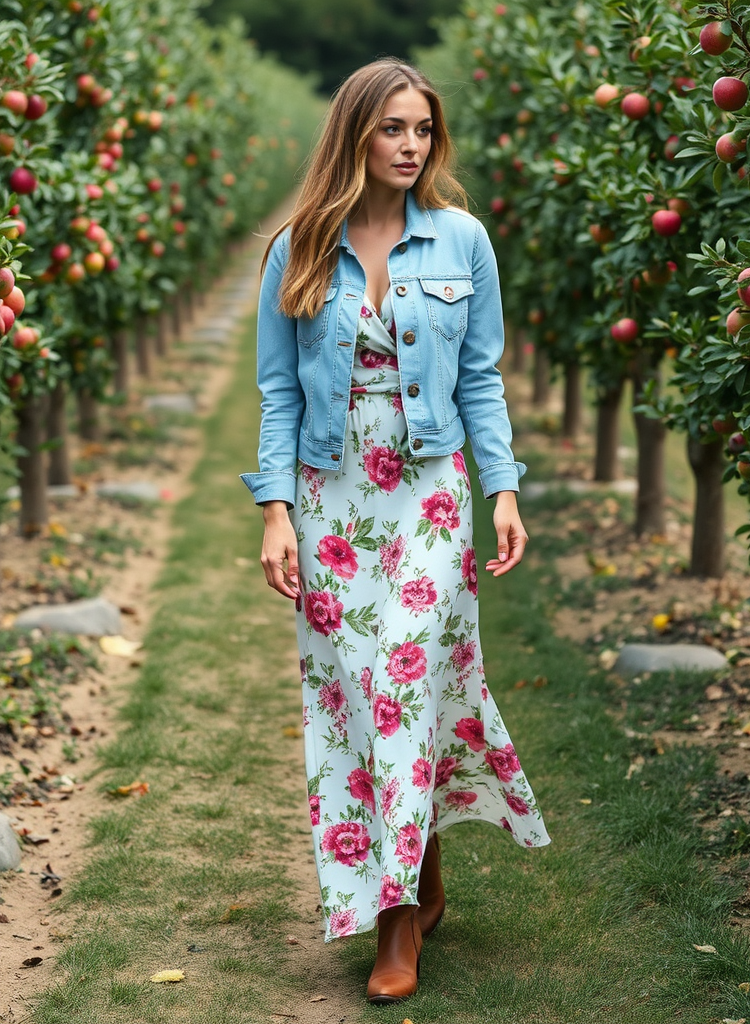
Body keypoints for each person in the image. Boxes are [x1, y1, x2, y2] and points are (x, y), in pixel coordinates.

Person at [241, 57, 550, 1006]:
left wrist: (504, 489)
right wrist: (276, 511)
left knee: (403, 677)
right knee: (354, 694)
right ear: (355, 133)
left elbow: (481, 379)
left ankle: (394, 920)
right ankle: (422, 871)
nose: (411, 145)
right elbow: (280, 391)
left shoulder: (463, 240)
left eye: (422, 129)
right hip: (332, 498)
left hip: (428, 491)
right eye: (392, 128)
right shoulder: (298, 246)